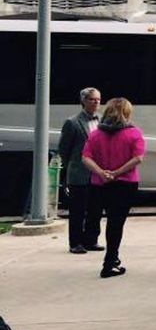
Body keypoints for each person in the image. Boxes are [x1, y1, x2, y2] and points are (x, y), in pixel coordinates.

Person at [81, 98, 145, 279]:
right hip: (125, 183)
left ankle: (113, 258)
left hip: (99, 184)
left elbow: (85, 157)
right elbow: (138, 158)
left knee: (101, 218)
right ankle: (109, 262)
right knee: (116, 224)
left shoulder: (95, 135)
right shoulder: (134, 134)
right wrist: (116, 173)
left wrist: (101, 173)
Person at [58, 87, 104, 255]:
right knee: (78, 210)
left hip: (97, 173)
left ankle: (91, 240)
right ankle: (75, 242)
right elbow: (64, 149)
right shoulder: (72, 122)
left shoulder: (101, 121)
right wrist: (73, 165)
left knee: (95, 209)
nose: (96, 102)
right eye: (92, 99)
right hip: (79, 172)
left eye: (98, 99)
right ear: (83, 101)